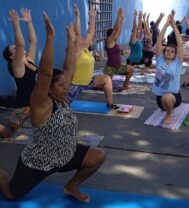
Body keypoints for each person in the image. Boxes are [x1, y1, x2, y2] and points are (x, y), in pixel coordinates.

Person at [0, 12, 105, 203]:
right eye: (61, 85)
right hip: (39, 162)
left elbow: (69, 67)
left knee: (98, 156)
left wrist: (72, 42)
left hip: (66, 154)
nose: (67, 88)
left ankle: (71, 186)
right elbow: (46, 74)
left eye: (67, 84)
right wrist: (50, 38)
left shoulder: (62, 98)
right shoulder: (42, 104)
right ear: (48, 88)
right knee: (11, 194)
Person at [69, 4, 117, 109]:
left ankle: (110, 104)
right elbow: (77, 34)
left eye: (83, 38)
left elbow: (90, 32)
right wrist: (77, 16)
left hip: (88, 81)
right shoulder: (76, 51)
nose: (83, 38)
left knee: (107, 79)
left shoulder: (85, 48)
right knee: (62, 104)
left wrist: (93, 18)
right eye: (80, 38)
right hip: (75, 85)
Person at [1, 8, 37, 129]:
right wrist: (16, 25)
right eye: (14, 48)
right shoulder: (16, 67)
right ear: (11, 56)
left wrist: (29, 23)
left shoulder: (28, 60)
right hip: (24, 104)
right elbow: (21, 44)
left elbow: (33, 42)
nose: (18, 47)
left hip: (36, 101)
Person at [152, 14, 184, 125]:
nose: (169, 52)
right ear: (164, 52)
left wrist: (174, 25)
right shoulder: (160, 60)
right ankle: (165, 107)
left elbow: (180, 44)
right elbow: (159, 41)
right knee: (164, 99)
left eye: (172, 51)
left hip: (173, 96)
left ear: (175, 54)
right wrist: (166, 24)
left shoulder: (177, 63)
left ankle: (169, 115)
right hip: (159, 97)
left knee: (167, 98)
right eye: (167, 51)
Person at [104, 8, 133, 90]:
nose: (117, 35)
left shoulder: (114, 41)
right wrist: (118, 17)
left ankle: (125, 85)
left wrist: (122, 18)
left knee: (131, 68)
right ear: (111, 35)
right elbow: (116, 29)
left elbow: (119, 30)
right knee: (106, 86)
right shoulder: (109, 41)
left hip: (118, 67)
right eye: (114, 34)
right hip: (110, 68)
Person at [126, 10, 143, 76]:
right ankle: (125, 85)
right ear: (134, 33)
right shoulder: (133, 39)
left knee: (130, 75)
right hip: (131, 60)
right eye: (137, 32)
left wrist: (141, 18)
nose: (139, 32)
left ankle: (126, 85)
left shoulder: (137, 39)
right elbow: (135, 27)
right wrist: (135, 16)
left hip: (135, 60)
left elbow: (139, 28)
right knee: (128, 75)